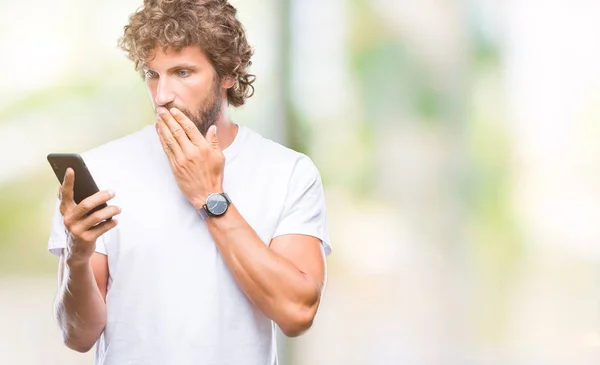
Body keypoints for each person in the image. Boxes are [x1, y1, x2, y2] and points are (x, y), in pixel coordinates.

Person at [46, 0, 332, 364]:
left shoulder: (289, 172)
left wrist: (211, 197)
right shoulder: (103, 169)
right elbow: (78, 336)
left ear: (229, 73)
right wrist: (77, 256)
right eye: (153, 74)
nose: (163, 95)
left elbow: (297, 313)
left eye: (183, 72)